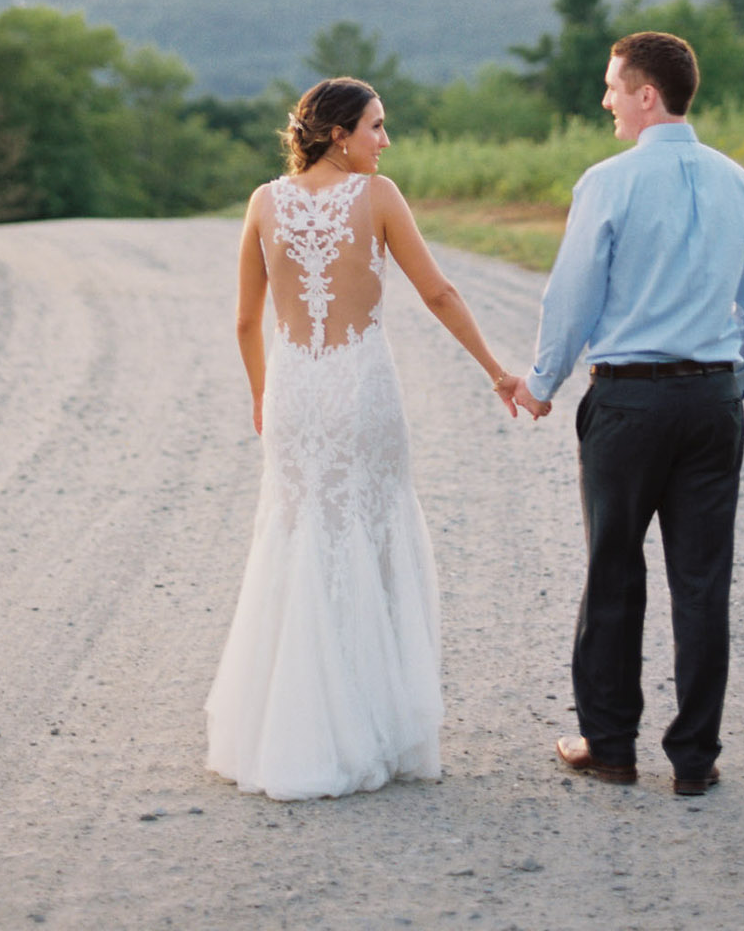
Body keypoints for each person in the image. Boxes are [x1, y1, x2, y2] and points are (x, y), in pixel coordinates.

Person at [206, 75, 521, 800]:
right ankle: (368, 724)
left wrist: (263, 392)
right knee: (367, 534)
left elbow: (245, 322)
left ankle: (284, 732)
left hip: (294, 391)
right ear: (339, 134)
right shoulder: (378, 199)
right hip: (359, 386)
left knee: (299, 535)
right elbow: (439, 292)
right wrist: (496, 371)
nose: (386, 141)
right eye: (376, 127)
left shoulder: (263, 203)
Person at [512, 30, 744, 796]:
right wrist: (729, 387)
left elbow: (571, 296)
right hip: (713, 400)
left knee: (614, 571)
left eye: (612, 87)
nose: (605, 101)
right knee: (702, 581)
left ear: (646, 95)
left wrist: (543, 381)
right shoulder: (740, 182)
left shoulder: (608, 181)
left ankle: (611, 748)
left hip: (628, 402)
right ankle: (694, 761)